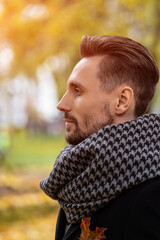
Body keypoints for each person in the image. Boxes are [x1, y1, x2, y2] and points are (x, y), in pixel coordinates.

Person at [40, 35, 160, 240]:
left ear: (122, 101)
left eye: (77, 90)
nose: (61, 104)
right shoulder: (79, 181)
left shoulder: (152, 197)